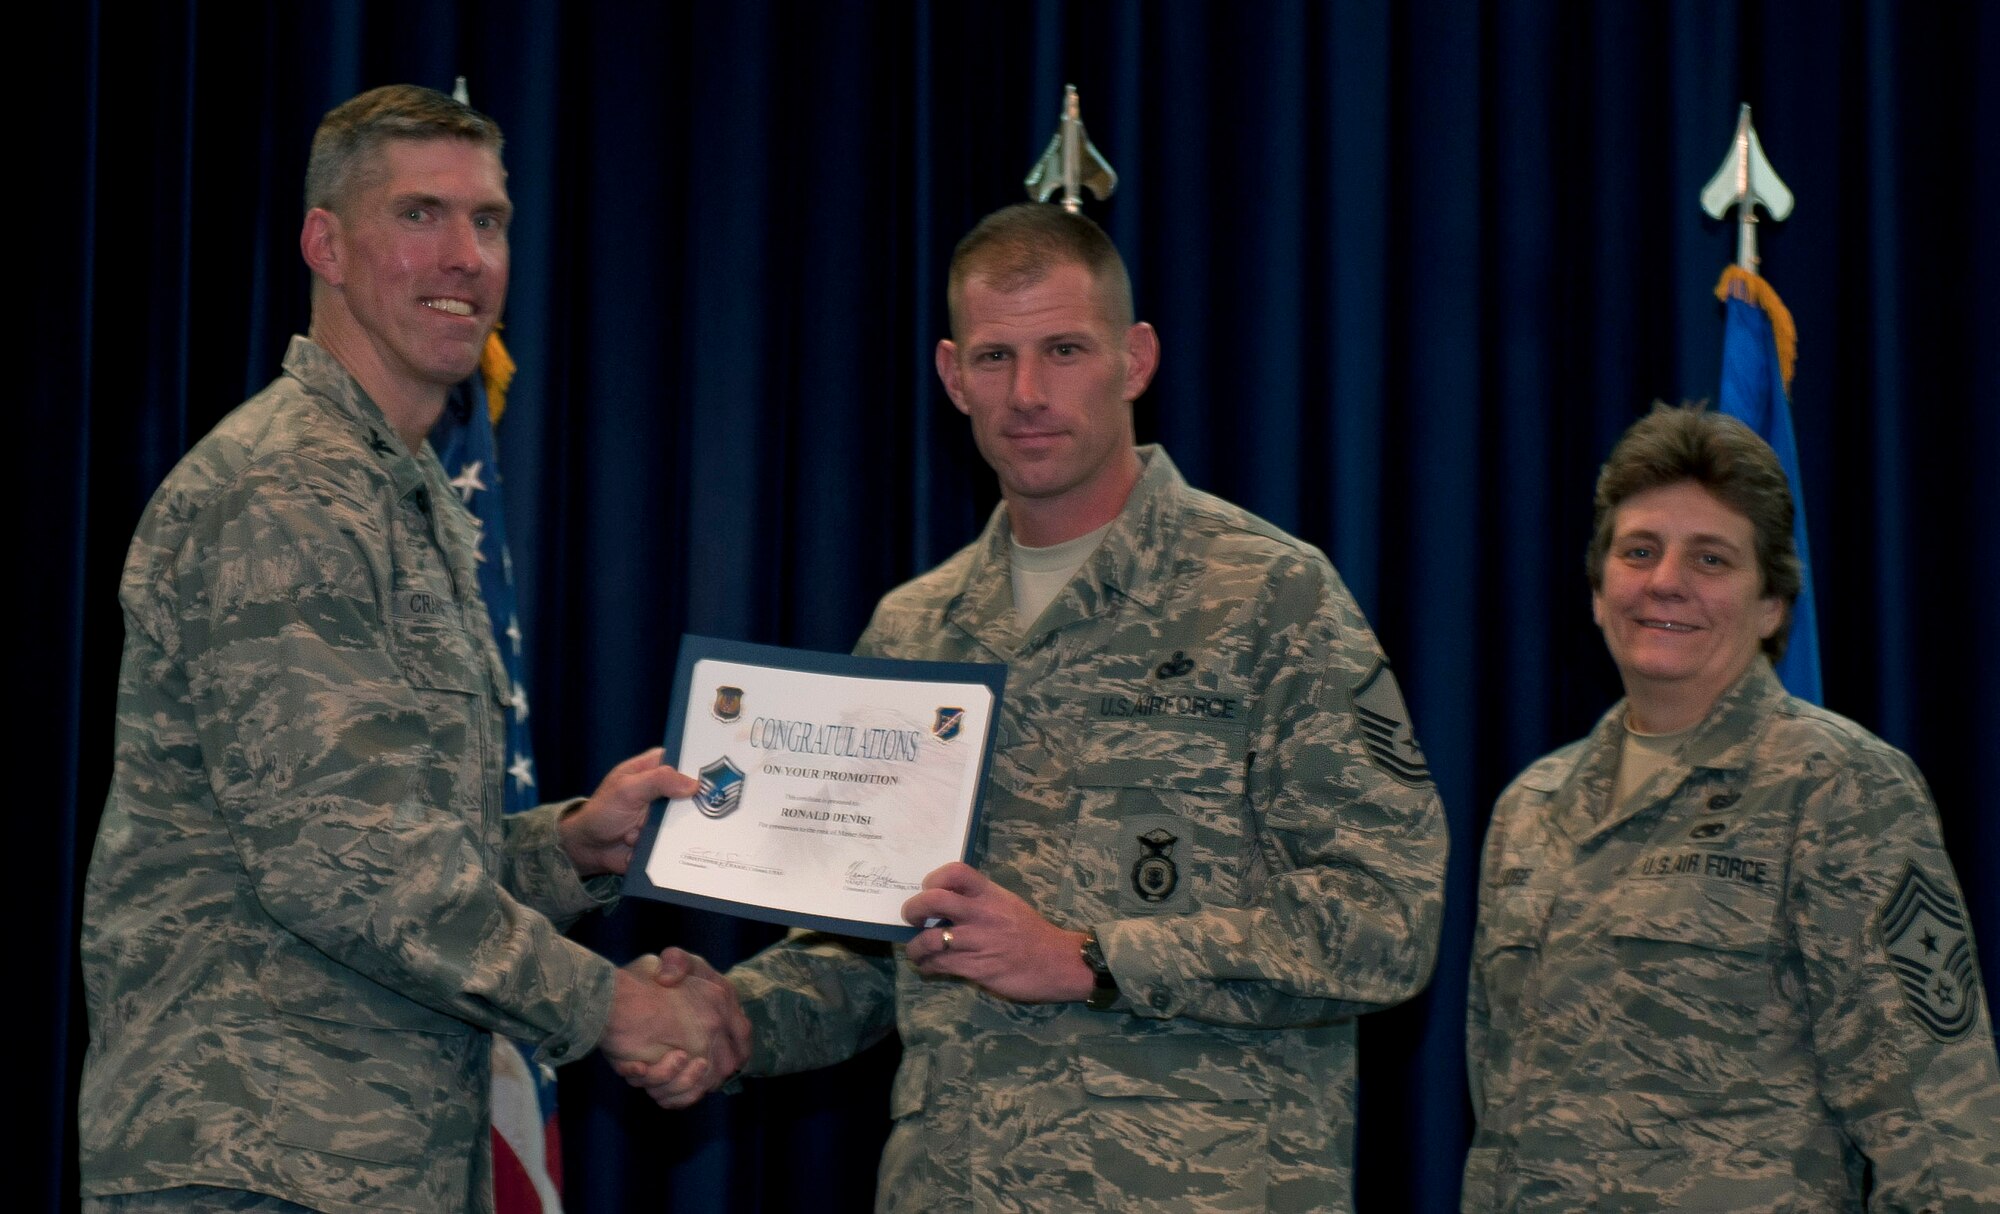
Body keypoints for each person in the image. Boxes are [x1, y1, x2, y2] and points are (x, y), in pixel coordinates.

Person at [636, 203, 1449, 1210]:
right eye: (993, 357)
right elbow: (874, 940)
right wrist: (735, 1018)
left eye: (1064, 350)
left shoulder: (1271, 597)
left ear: (1134, 357)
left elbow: (1382, 921)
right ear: (949, 375)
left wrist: (1086, 956)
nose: (1026, 394)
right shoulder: (914, 628)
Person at [77, 85, 747, 1214]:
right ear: (324, 244)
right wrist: (620, 1008)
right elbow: (353, 863)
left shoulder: (404, 494)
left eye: (488, 221)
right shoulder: (285, 491)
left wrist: (571, 848)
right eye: (421, 214)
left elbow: (389, 833)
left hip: (366, 1160)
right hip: (256, 1155)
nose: (466, 256)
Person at [1462, 404, 2000, 1211]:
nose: (1665, 580)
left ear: (1772, 606)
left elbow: (1936, 1119)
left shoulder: (1839, 787)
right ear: (1599, 590)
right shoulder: (1531, 810)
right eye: (1638, 551)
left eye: (1711, 559)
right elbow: (1498, 1111)